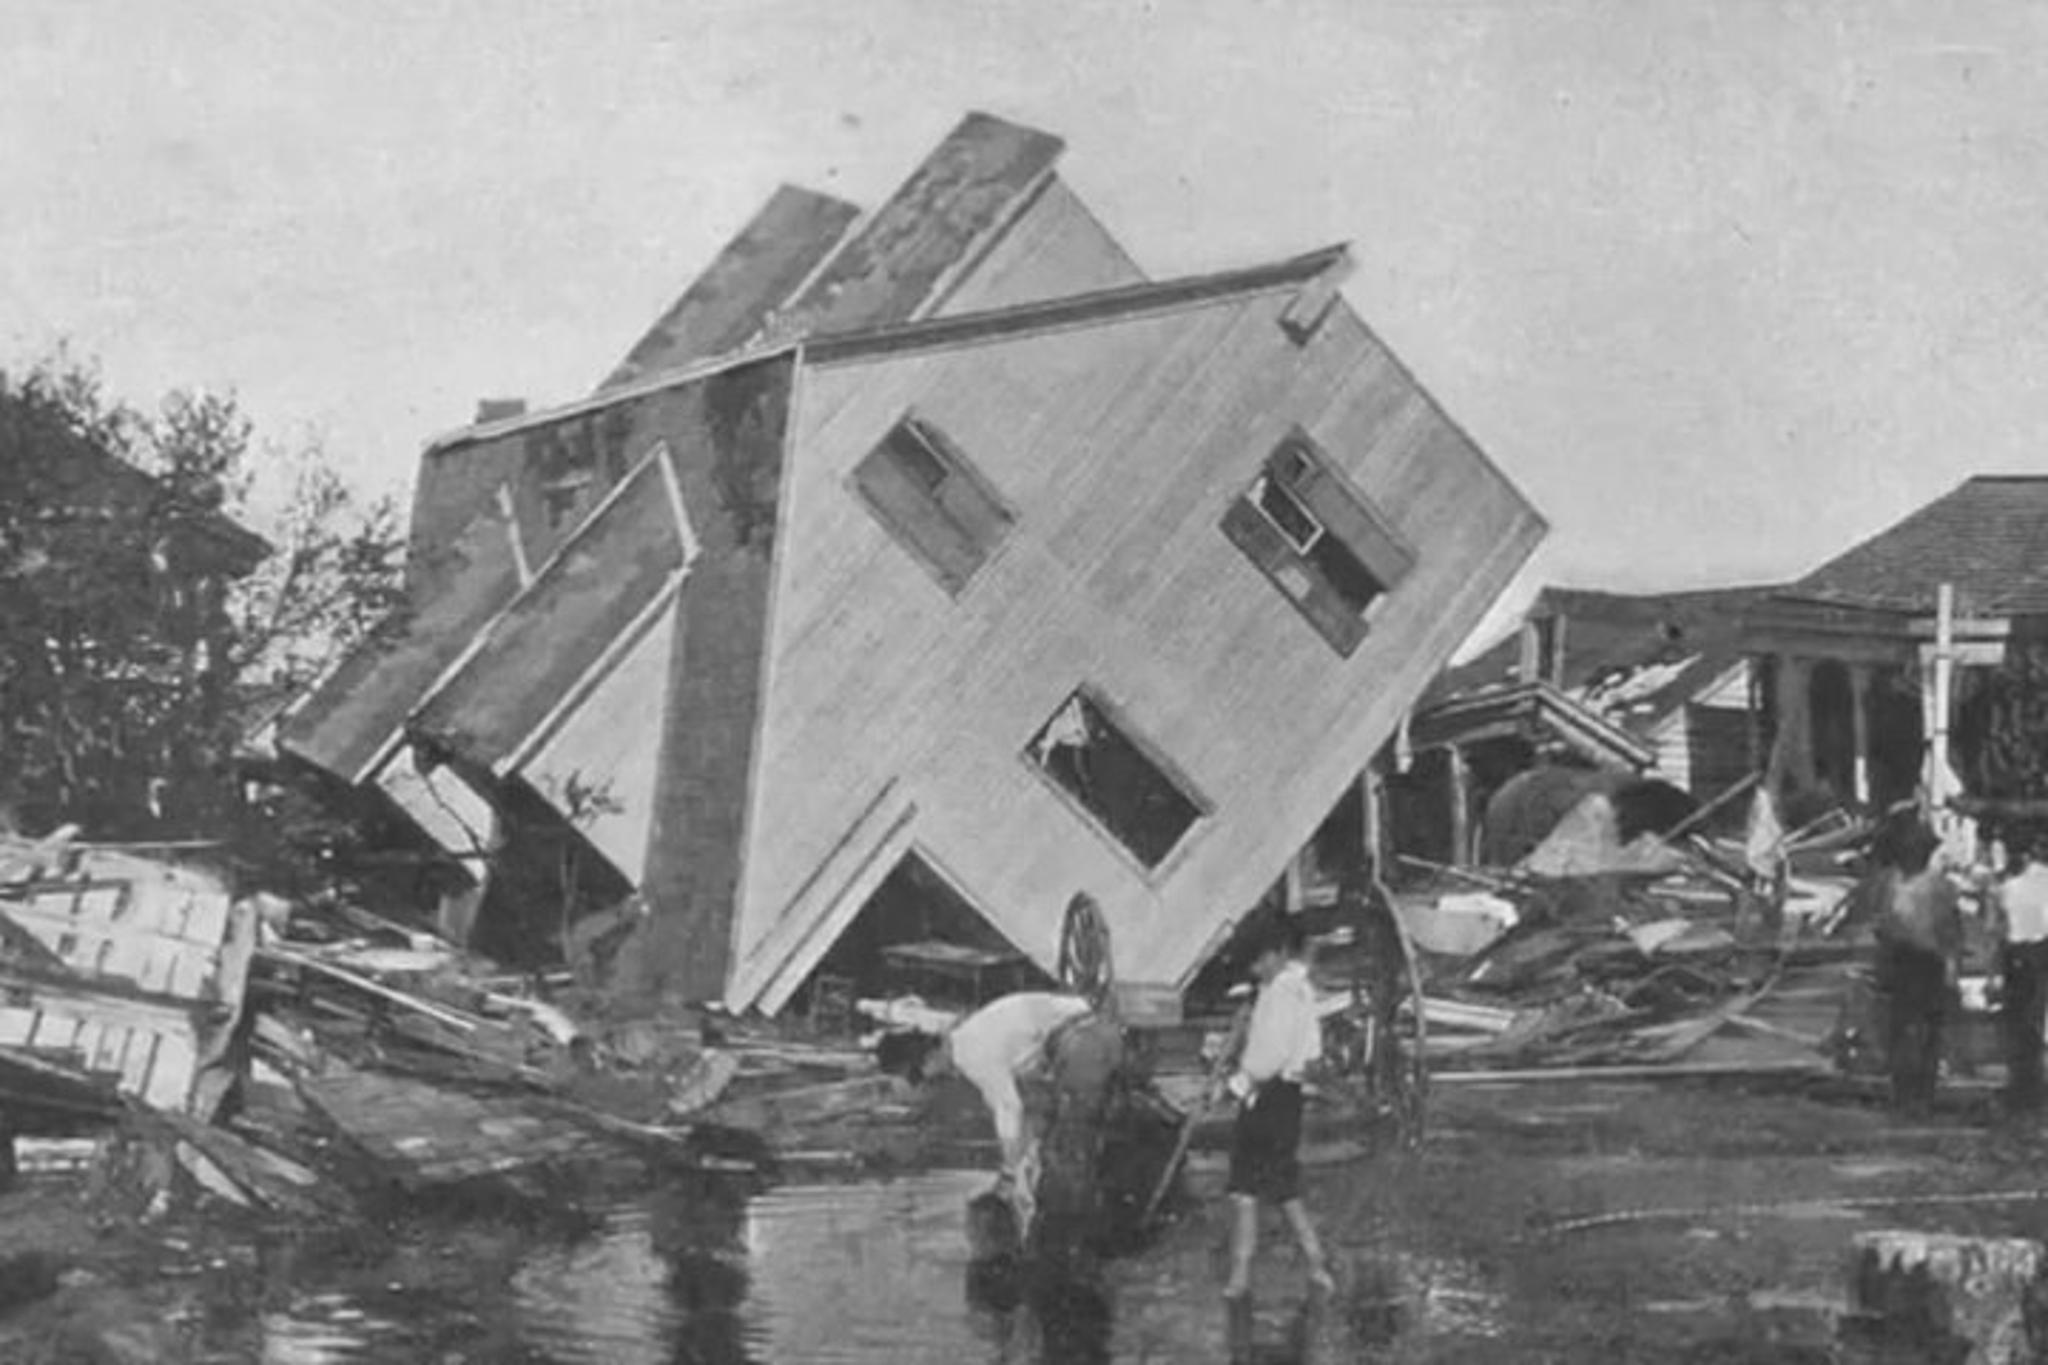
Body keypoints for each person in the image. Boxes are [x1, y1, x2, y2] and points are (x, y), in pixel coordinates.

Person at [1214, 914, 1335, 1300]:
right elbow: (1301, 1048)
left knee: (1250, 1188)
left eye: (1259, 961)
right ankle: (1312, 1265)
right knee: (1278, 1187)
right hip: (1287, 1097)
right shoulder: (1294, 987)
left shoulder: (1281, 993)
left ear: (1280, 954)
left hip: (1268, 1096)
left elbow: (1268, 1055)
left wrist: (1235, 1084)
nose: (1255, 969)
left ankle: (1243, 1275)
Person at [1873, 820, 1964, 1113]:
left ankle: (1918, 1093)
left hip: (1924, 961)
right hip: (1908, 959)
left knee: (1922, 1029)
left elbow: (1951, 931)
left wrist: (1952, 965)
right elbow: (1883, 924)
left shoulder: (1935, 886)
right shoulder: (1894, 882)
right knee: (1906, 1027)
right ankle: (1909, 1091)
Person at [1996, 832, 2048, 1114]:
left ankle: (2023, 1085)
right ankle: (2035, 1086)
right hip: (2042, 952)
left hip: (2016, 956)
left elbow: (1998, 931)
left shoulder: (2009, 887)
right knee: (2038, 1019)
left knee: (2018, 1022)